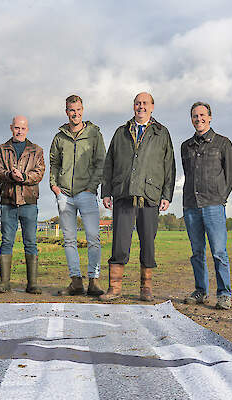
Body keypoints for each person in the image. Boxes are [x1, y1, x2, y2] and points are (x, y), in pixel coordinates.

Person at [100, 92, 175, 302]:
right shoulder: (121, 132)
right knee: (120, 243)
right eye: (137, 103)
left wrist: (166, 195)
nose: (141, 106)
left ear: (152, 106)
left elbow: (169, 166)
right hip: (123, 194)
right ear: (133, 106)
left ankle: (146, 289)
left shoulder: (162, 133)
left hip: (150, 196)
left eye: (145, 103)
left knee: (148, 244)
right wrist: (106, 192)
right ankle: (114, 288)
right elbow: (109, 164)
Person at [48, 94, 106, 296]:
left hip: (86, 193)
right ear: (66, 112)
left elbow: (101, 162)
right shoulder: (59, 137)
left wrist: (92, 187)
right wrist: (54, 186)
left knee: (93, 238)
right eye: (72, 110)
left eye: (79, 109)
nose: (76, 113)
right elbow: (54, 163)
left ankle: (94, 281)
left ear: (83, 110)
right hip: (64, 194)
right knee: (69, 239)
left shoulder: (94, 134)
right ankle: (75, 282)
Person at [181, 101, 232, 310]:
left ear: (210, 117)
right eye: (195, 116)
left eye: (202, 115)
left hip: (214, 205)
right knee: (197, 252)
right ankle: (200, 291)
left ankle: (224, 293)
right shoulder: (186, 146)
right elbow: (187, 172)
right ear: (191, 119)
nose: (199, 119)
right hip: (191, 206)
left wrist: (221, 197)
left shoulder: (222, 143)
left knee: (219, 252)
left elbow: (230, 174)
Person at [0, 116, 46, 294]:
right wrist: (9, 175)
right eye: (16, 128)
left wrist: (23, 177)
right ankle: (5, 283)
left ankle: (32, 284)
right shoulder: (1, 149)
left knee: (30, 242)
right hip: (8, 202)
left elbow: (39, 172)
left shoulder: (36, 150)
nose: (19, 131)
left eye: (22, 128)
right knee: (6, 240)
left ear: (27, 129)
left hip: (29, 202)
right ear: (11, 128)